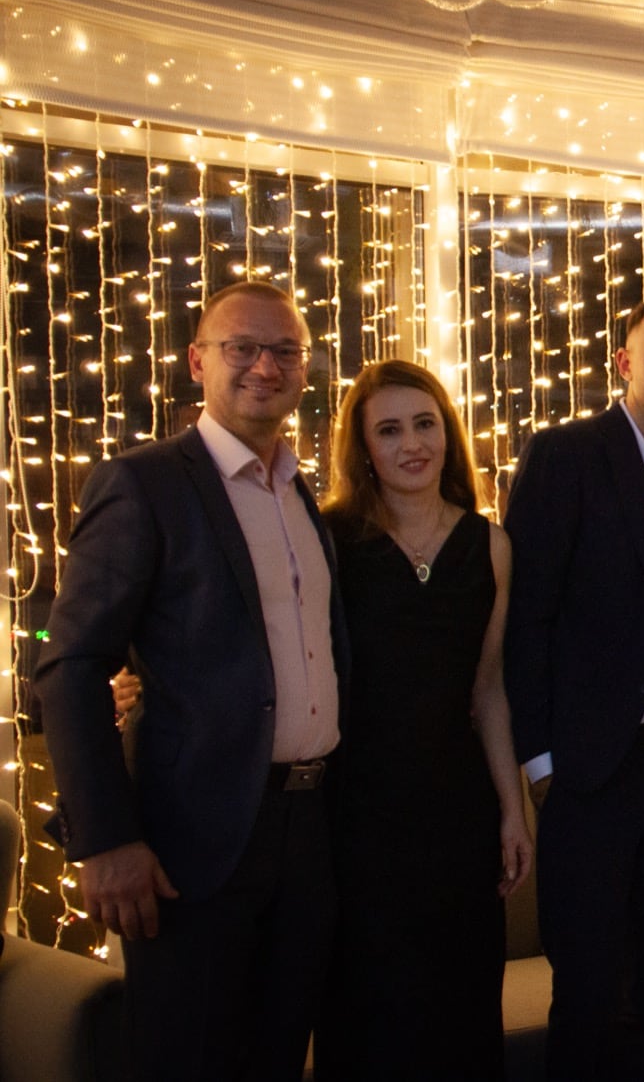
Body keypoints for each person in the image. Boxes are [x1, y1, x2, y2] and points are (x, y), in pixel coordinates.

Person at [35, 280, 346, 1082]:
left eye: (285, 351)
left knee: (279, 1059)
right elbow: (70, 665)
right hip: (192, 840)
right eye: (242, 348)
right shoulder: (144, 483)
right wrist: (105, 840)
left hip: (310, 830)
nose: (265, 367)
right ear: (197, 361)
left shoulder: (300, 493)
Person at [503, 291, 644, 1080]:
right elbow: (524, 617)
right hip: (594, 768)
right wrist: (541, 763)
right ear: (625, 362)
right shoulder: (564, 455)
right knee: (590, 990)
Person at [313, 361, 533, 1079]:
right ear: (363, 449)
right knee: (368, 1020)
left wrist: (512, 811)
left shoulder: (490, 545)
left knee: (462, 1016)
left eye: (425, 424)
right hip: (356, 817)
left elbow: (489, 689)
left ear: (447, 434)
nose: (412, 444)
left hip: (458, 818)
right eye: (389, 430)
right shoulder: (330, 541)